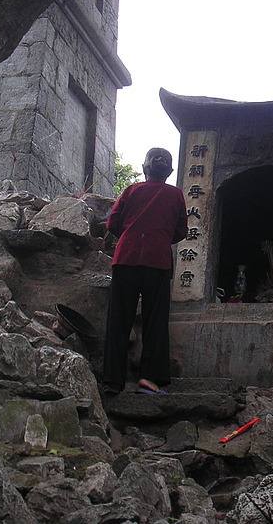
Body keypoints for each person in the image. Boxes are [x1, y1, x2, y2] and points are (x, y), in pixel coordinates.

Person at [102, 147, 188, 395]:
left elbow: (112, 223)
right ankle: (150, 378)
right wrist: (158, 238)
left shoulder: (131, 191)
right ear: (169, 172)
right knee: (156, 320)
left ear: (144, 168)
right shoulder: (176, 195)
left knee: (119, 319)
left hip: (126, 257)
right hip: (158, 261)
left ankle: (112, 381)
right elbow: (181, 230)